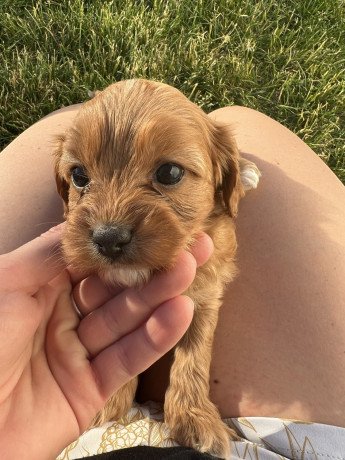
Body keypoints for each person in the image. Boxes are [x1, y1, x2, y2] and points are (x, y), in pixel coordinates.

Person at [0, 103, 344, 460]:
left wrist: (189, 398)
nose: (109, 224)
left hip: (55, 435)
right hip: (62, 417)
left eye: (168, 173)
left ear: (224, 184)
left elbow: (203, 303)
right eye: (82, 178)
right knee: (249, 119)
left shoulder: (211, 244)